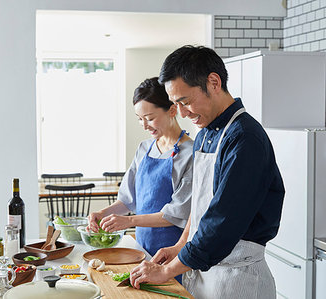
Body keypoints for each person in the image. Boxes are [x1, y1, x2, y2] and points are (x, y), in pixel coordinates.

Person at [129, 46, 285, 299]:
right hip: (204, 273)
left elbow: (222, 222)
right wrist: (180, 246)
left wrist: (168, 270)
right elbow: (201, 204)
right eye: (175, 104)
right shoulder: (204, 135)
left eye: (185, 101)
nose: (181, 113)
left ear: (213, 82)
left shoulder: (245, 139)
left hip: (237, 279)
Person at [87, 77, 194, 276]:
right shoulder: (144, 148)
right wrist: (101, 214)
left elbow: (175, 214)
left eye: (150, 118)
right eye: (139, 118)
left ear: (172, 110)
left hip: (171, 256)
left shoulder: (191, 154)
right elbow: (128, 200)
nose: (144, 126)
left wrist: (128, 222)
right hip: (141, 249)